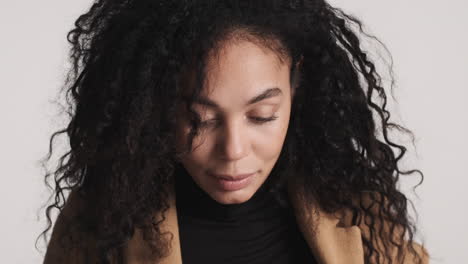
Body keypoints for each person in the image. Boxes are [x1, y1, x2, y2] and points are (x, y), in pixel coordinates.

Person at [39, 0, 430, 263]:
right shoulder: (101, 220)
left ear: (297, 81)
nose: (233, 151)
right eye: (199, 120)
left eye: (261, 115)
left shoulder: (359, 207)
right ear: (154, 104)